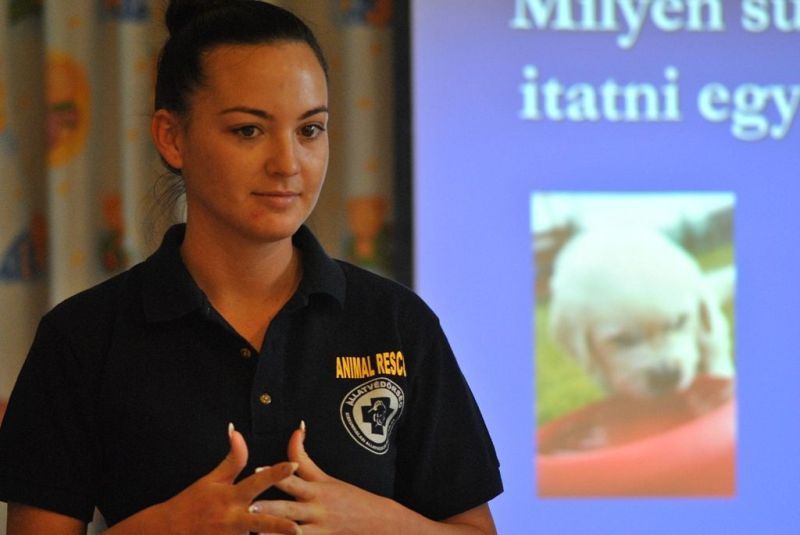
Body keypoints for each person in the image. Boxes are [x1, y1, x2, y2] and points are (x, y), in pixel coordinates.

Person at [0, 1, 503, 533]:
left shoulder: (397, 322)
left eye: (310, 130)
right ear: (172, 137)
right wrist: (166, 527)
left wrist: (378, 521)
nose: (287, 164)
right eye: (248, 130)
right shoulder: (82, 338)